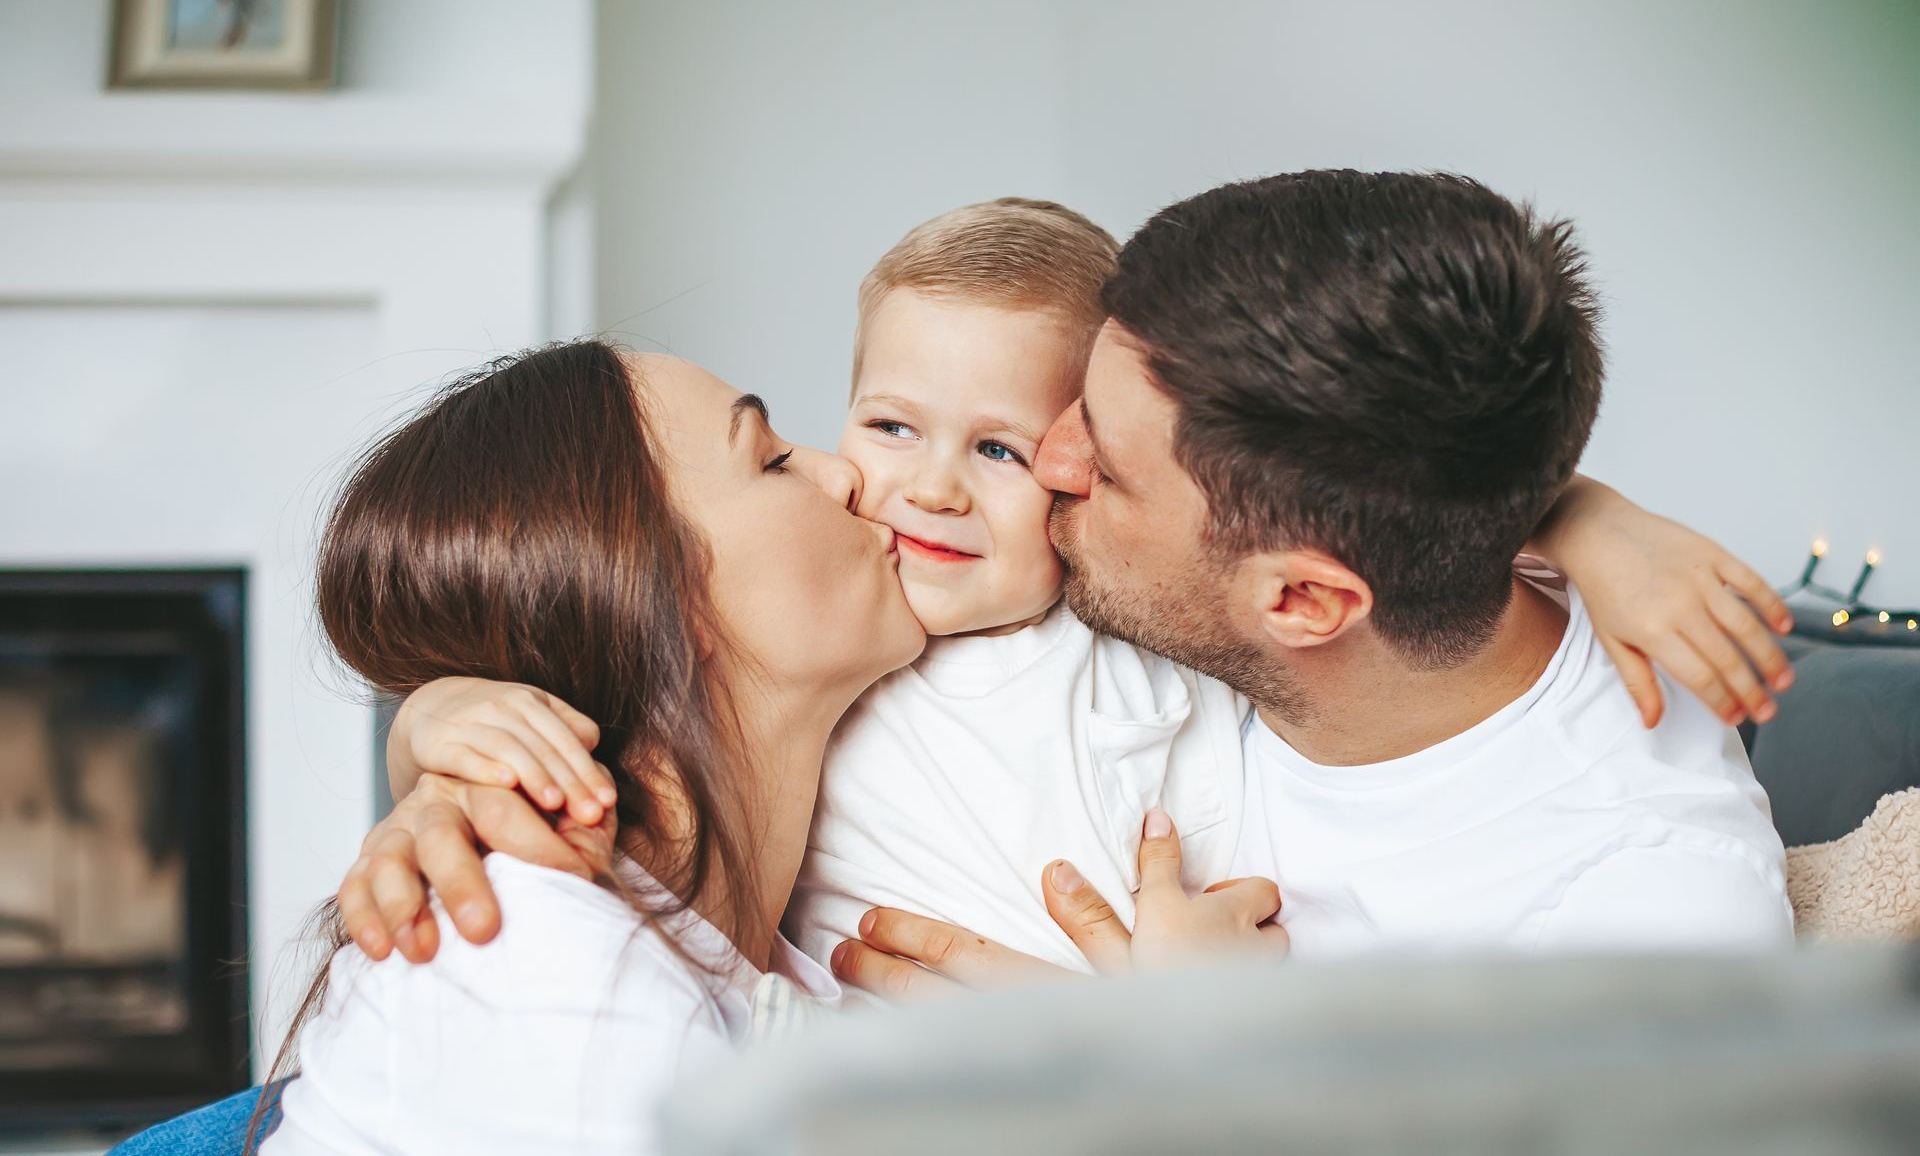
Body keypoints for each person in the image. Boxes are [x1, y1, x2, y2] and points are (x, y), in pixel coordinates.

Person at [358, 181, 1793, 988]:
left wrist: (1144, 1105)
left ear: (1301, 601)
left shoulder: (1646, 922)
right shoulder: (1409, 549)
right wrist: (446, 728)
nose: (1030, 467)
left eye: (1089, 460)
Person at [832, 171, 1793, 994]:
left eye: (1109, 469)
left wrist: (1173, 1081)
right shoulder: (1424, 524)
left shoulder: (1643, 921)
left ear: (1301, 602)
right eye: (1077, 404)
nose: (1050, 460)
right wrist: (1583, 510)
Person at [220, 341, 916, 1154]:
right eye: (772, 459)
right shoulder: (544, 967)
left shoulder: (772, 959)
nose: (844, 474)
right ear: (662, 602)